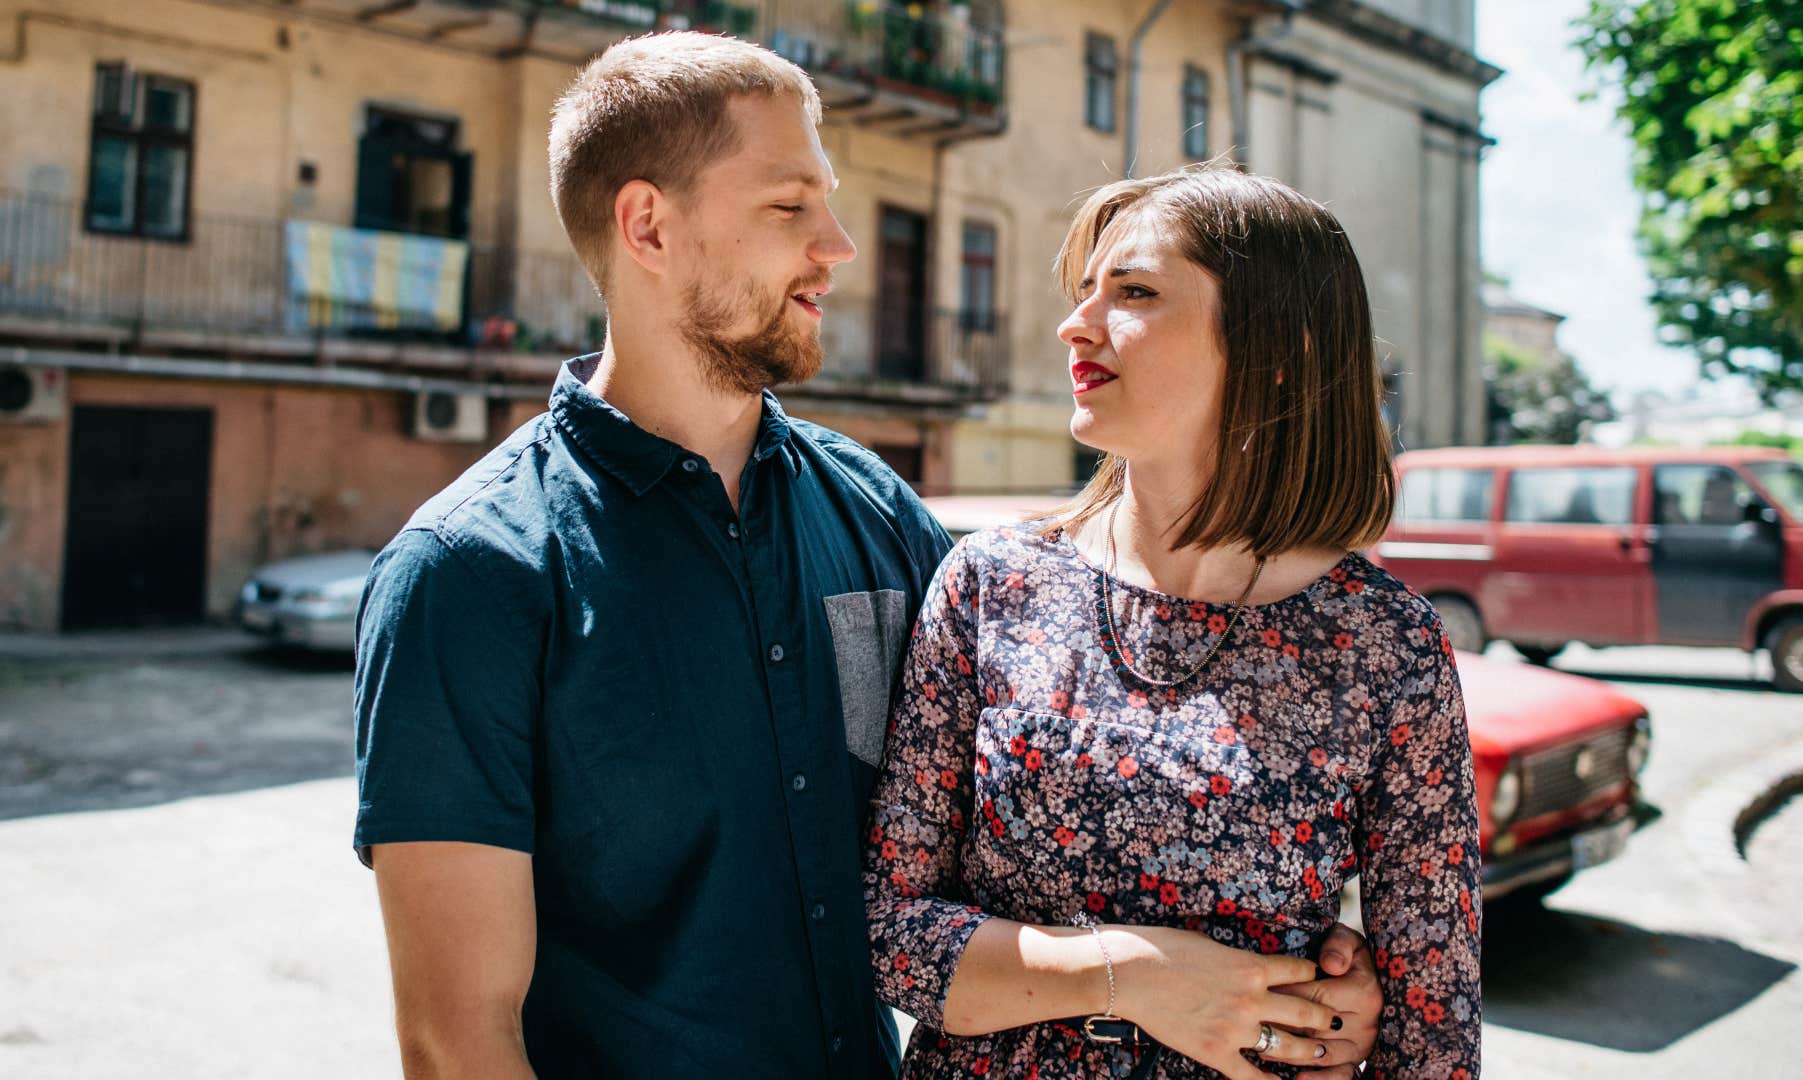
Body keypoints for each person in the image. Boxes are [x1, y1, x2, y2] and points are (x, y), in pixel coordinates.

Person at [353, 32, 1386, 1080]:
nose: (838, 244)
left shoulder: (879, 514)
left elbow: (1046, 824)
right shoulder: (465, 576)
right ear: (648, 225)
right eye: (790, 206)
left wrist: (1294, 969)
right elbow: (456, 1040)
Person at [863, 168, 1481, 1079]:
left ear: (1281, 348)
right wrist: (1136, 975)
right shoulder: (993, 584)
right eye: (1085, 294)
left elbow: (1434, 1036)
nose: (1077, 325)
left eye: (1135, 293)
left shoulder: (1388, 646)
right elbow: (887, 931)